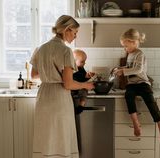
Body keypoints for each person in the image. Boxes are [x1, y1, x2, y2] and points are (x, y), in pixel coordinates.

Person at [30, 15, 94, 158]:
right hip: (59, 98)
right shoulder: (65, 51)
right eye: (75, 32)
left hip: (43, 95)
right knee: (61, 138)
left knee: (46, 138)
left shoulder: (40, 49)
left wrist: (49, 74)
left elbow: (33, 75)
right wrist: (85, 85)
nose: (75, 36)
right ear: (67, 30)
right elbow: (69, 84)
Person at [114, 28, 160, 143]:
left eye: (126, 46)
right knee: (128, 96)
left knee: (150, 100)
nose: (125, 48)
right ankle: (135, 122)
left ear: (134, 42)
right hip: (132, 84)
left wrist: (123, 72)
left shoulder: (140, 54)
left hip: (143, 83)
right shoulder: (129, 54)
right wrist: (120, 69)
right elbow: (130, 68)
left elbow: (138, 69)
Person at [71, 49, 95, 114]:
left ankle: (81, 105)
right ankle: (72, 107)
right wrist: (84, 78)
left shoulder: (81, 67)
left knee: (84, 90)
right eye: (82, 61)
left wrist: (87, 76)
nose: (84, 63)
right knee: (70, 95)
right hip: (72, 89)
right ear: (73, 61)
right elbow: (74, 79)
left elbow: (83, 78)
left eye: (84, 61)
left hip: (81, 87)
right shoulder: (70, 68)